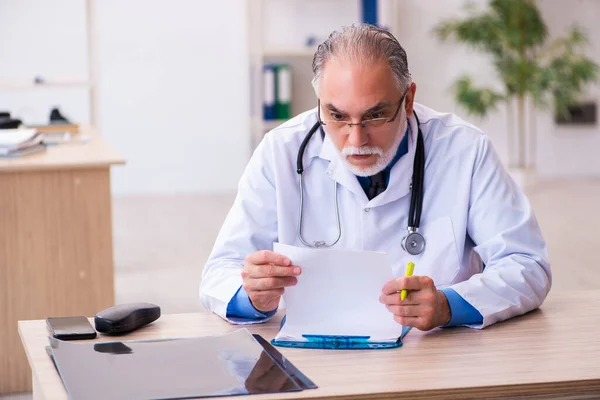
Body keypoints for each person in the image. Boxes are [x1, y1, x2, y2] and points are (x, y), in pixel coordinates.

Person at [200, 23, 551, 330]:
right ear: (319, 101)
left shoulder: (466, 150)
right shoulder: (280, 150)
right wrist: (251, 296)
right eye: (336, 116)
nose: (356, 139)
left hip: (432, 356)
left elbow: (527, 265)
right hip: (317, 356)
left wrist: (449, 305)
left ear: (408, 99)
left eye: (376, 115)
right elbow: (220, 271)